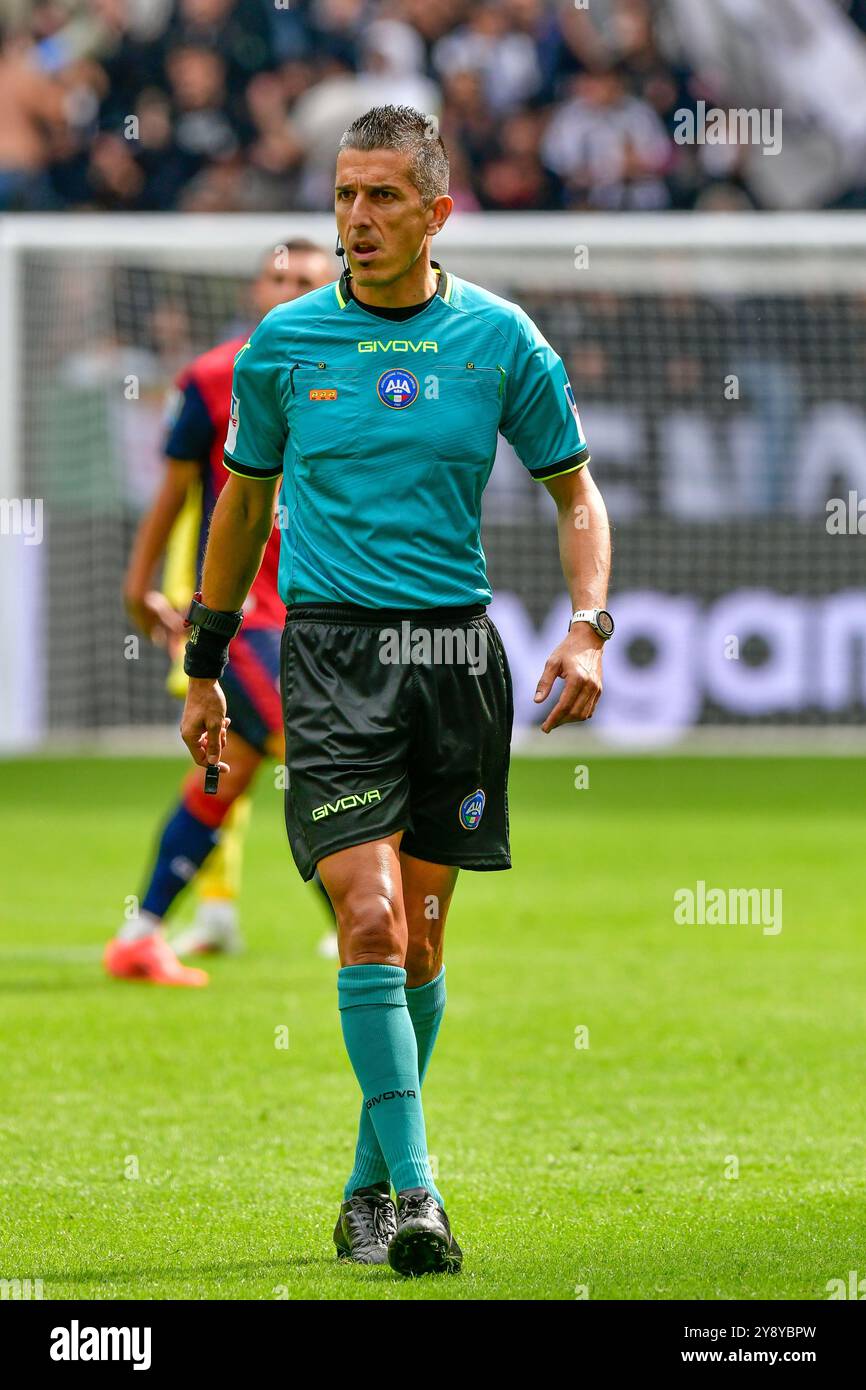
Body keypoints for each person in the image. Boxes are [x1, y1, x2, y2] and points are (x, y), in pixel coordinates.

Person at [179, 105, 612, 1274]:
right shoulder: (283, 350)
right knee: (363, 920)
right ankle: (418, 1194)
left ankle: (363, 1184)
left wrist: (585, 628)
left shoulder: (500, 340)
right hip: (326, 660)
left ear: (436, 212)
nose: (356, 219)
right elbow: (240, 506)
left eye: (380, 198)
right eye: (342, 197)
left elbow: (575, 493)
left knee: (415, 948)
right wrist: (206, 661)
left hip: (454, 664)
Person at [104, 238, 336, 986]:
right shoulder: (211, 377)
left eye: (307, 278)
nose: (290, 286)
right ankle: (369, 925)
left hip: (326, 606)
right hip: (244, 616)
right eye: (279, 276)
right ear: (255, 287)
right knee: (322, 754)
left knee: (229, 772)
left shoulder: (355, 371)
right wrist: (138, 583)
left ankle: (141, 933)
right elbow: (172, 494)